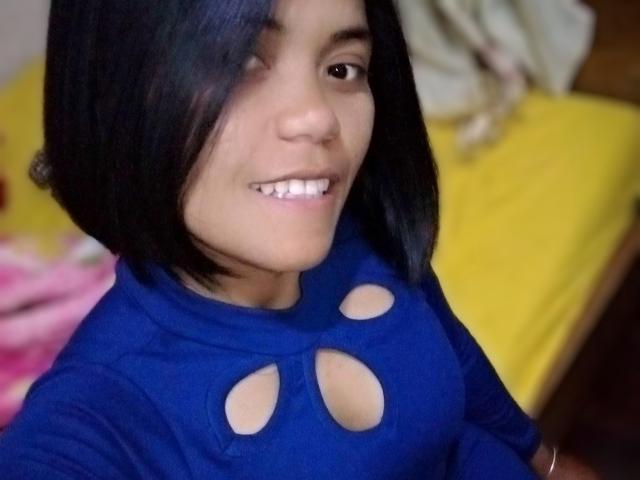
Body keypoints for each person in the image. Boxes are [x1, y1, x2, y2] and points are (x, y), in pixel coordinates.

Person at [0, 0, 597, 478]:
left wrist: (544, 461)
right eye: (237, 64)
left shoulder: (365, 239)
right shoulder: (94, 417)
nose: (318, 116)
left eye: (342, 69)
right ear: (119, 94)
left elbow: (457, 358)